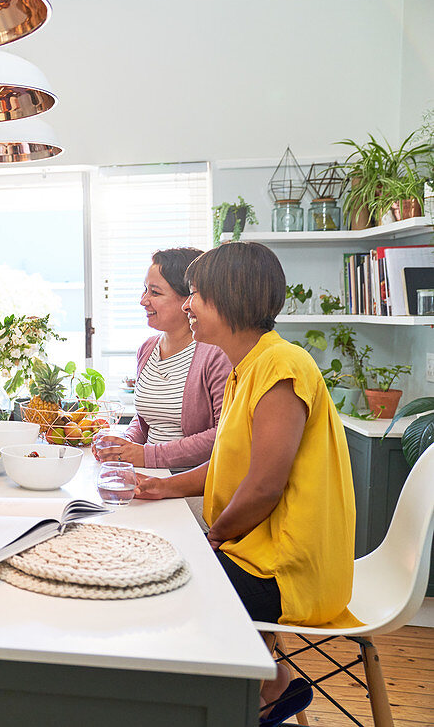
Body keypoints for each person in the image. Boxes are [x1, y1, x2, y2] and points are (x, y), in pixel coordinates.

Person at [133, 241, 359, 724]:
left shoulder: (282, 365)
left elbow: (262, 488)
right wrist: (163, 487)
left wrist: (213, 539)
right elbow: (231, 470)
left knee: (164, 590)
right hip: (258, 553)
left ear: (230, 297)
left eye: (195, 293)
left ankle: (244, 694)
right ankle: (259, 685)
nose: (187, 304)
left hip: (287, 567)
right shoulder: (247, 369)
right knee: (163, 573)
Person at [95, 247, 230, 472]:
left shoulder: (215, 353)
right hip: (149, 474)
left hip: (191, 483)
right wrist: (123, 444)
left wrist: (147, 456)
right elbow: (146, 420)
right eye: (144, 290)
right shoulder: (147, 349)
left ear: (189, 298)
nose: (143, 301)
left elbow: (222, 434)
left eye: (155, 293)